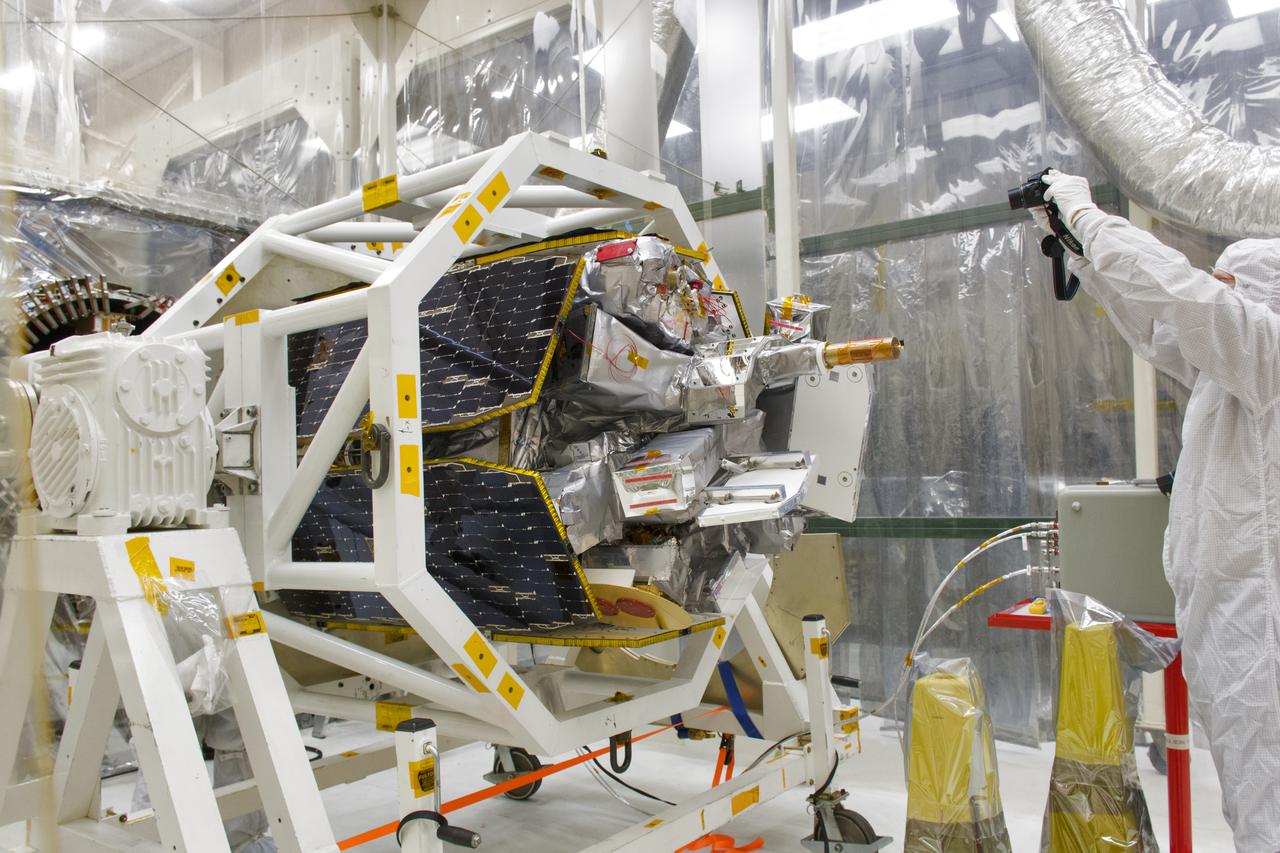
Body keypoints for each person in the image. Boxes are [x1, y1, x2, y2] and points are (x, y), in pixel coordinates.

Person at [1029, 170, 1280, 852]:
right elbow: (1158, 323)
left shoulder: (1269, 356)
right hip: (1233, 636)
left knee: (1269, 813)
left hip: (1265, 641)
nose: (1216, 296)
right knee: (1249, 802)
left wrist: (1086, 212)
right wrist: (1076, 248)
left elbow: (1182, 295)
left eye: (1229, 290)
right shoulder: (1228, 376)